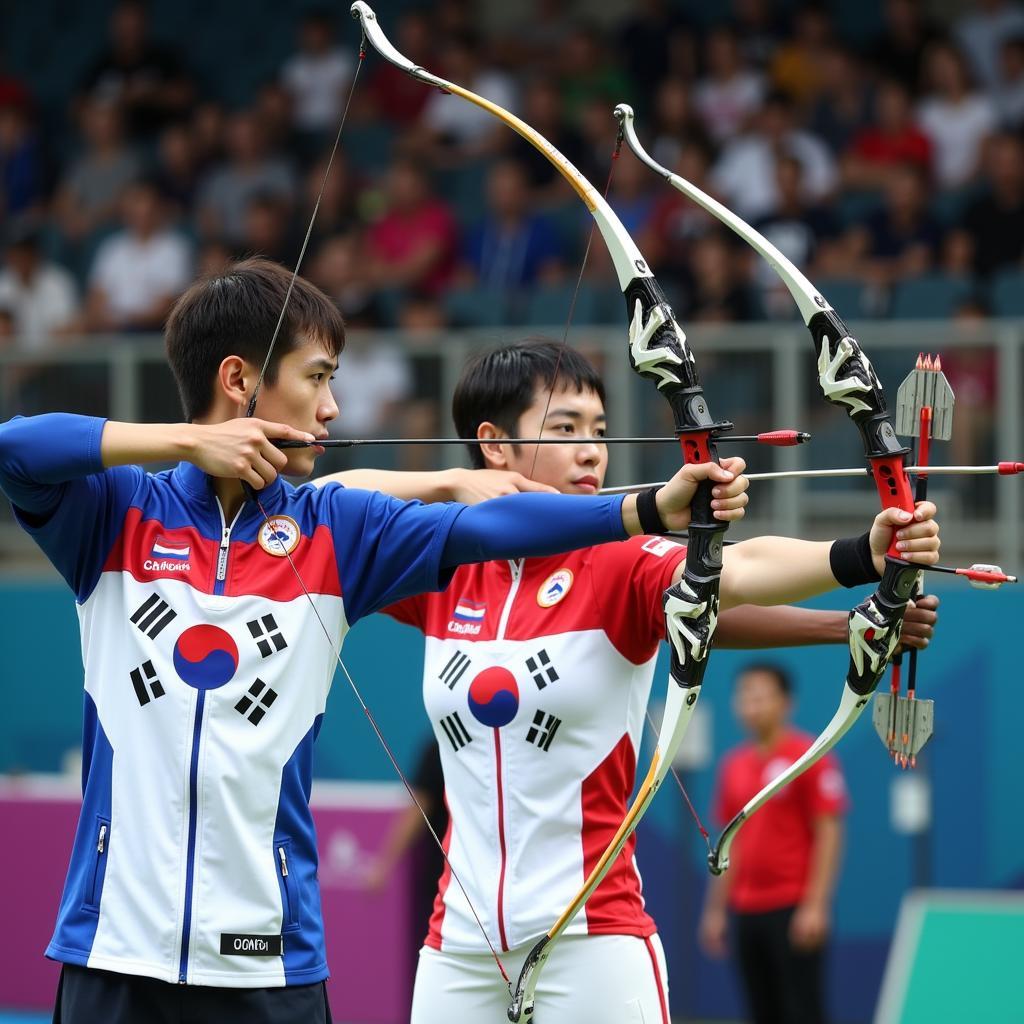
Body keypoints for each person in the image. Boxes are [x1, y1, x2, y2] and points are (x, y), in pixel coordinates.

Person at [0, 259, 748, 1024]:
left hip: (271, 963)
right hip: (110, 951)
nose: (331, 407)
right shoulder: (116, 514)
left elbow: (489, 526)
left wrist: (652, 508)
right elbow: (16, 445)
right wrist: (192, 443)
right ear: (238, 379)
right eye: (317, 377)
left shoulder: (334, 527)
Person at [317, 340, 941, 1024]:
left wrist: (860, 554)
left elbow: (734, 573)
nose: (592, 450)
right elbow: (320, 502)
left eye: (600, 432)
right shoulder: (445, 566)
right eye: (565, 429)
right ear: (493, 445)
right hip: (458, 946)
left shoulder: (621, 562)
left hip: (593, 939)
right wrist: (447, 484)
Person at [699, 663, 846, 1024]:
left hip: (792, 908)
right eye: (745, 696)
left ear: (785, 703)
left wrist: (815, 906)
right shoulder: (733, 765)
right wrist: (716, 911)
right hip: (746, 910)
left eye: (761, 696)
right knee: (761, 1011)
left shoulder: (810, 755)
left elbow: (829, 832)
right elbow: (729, 845)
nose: (752, 705)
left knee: (802, 1010)